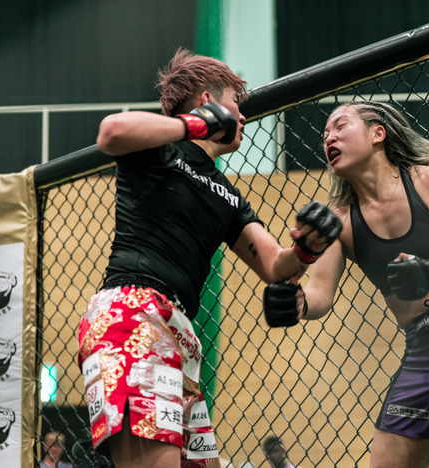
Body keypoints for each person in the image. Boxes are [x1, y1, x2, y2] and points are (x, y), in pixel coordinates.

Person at [77, 48, 342, 468]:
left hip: (179, 332)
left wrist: (308, 247)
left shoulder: (228, 195)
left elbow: (274, 265)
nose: (243, 117)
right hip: (132, 315)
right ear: (206, 100)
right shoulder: (161, 149)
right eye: (236, 104)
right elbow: (111, 132)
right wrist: (194, 125)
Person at [263, 101, 429, 468]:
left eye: (340, 126)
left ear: (378, 133)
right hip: (421, 350)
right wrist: (296, 303)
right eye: (325, 134)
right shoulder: (341, 221)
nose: (329, 138)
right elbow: (320, 294)